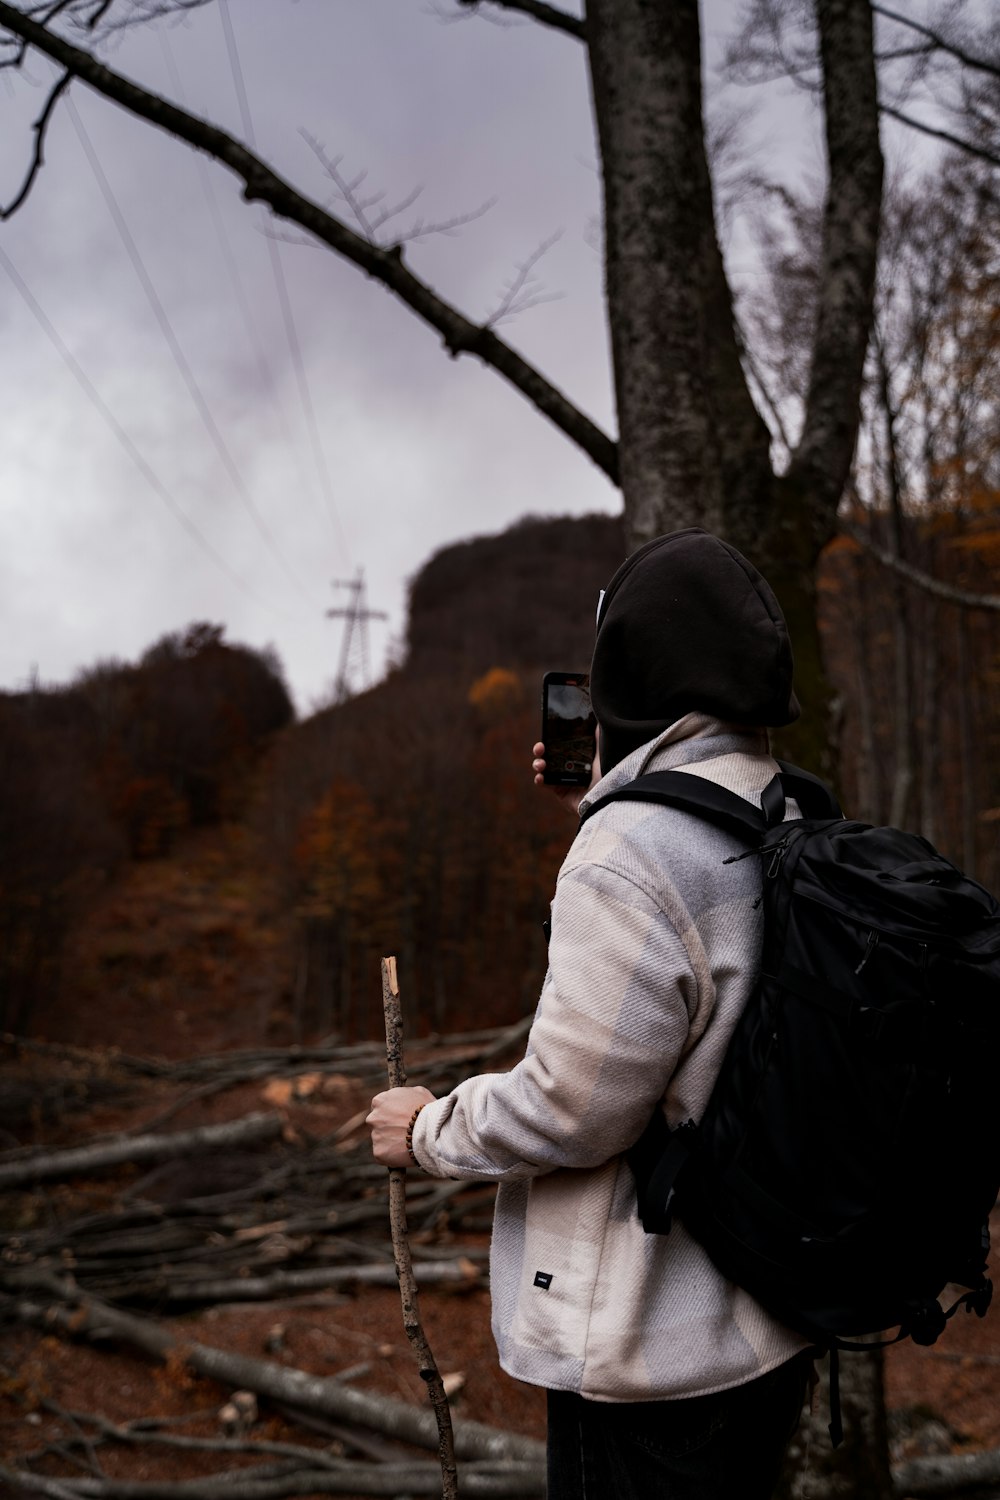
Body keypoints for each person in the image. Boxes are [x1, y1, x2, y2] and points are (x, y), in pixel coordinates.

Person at [367, 528, 814, 1500]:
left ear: (632, 666)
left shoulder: (629, 854)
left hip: (649, 1360)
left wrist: (428, 1130)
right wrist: (605, 801)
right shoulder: (780, 805)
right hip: (763, 1327)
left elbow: (575, 1107)